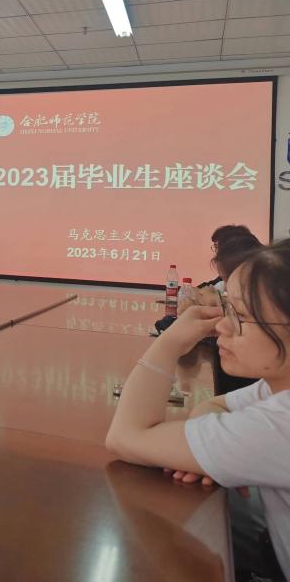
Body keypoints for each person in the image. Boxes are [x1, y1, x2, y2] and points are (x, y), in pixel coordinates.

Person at [105, 241, 290, 581]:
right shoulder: (276, 386)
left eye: (241, 317)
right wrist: (207, 451)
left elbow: (124, 436)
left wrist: (170, 342)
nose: (222, 326)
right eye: (227, 309)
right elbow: (215, 403)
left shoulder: (281, 424)